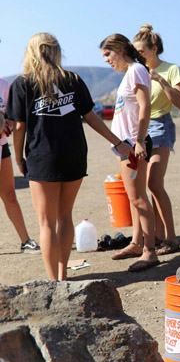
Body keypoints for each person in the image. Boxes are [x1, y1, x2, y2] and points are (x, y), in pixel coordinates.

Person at [6, 33, 133, 280]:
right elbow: (92, 117)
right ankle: (63, 274)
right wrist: (117, 142)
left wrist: (20, 158)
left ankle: (54, 281)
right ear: (56, 52)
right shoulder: (72, 80)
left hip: (42, 156)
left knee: (46, 223)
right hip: (74, 153)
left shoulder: (23, 84)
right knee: (65, 216)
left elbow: (19, 127)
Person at [101, 33, 160, 272]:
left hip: (132, 144)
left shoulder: (136, 70)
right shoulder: (130, 72)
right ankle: (137, 243)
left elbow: (145, 106)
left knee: (138, 198)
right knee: (133, 198)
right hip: (124, 145)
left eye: (107, 54)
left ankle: (150, 251)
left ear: (119, 50)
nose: (106, 60)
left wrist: (139, 141)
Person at [133, 24, 180, 255]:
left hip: (161, 126)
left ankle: (171, 238)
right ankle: (157, 236)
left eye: (142, 51)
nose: (138, 55)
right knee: (143, 186)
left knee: (154, 183)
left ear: (154, 49)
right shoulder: (136, 70)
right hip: (140, 129)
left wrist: (160, 81)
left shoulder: (171, 69)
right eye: (135, 51)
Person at [0, 75, 37, 252]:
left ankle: (25, 241)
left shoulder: (4, 85)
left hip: (1, 146)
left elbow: (12, 118)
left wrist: (6, 125)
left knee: (10, 196)